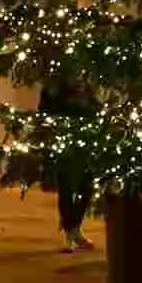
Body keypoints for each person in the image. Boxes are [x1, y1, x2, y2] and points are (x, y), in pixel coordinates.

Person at [38, 74, 96, 251]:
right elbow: (45, 108)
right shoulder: (55, 82)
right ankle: (70, 232)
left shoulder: (87, 81)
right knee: (66, 186)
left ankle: (73, 228)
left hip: (87, 137)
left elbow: (94, 105)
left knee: (87, 185)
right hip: (63, 137)